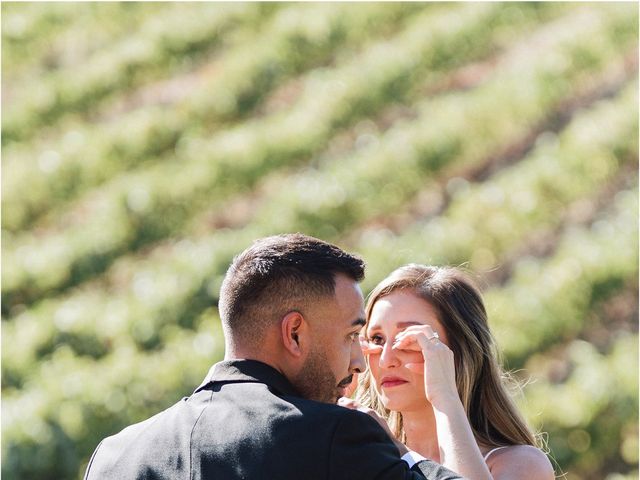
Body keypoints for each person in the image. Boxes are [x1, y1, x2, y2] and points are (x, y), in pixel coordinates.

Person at [84, 234, 465, 479]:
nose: (360, 363)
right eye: (351, 335)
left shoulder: (114, 456)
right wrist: (403, 454)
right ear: (294, 333)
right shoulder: (332, 437)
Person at [347, 264, 554, 479]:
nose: (385, 359)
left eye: (409, 338)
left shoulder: (522, 465)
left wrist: (443, 395)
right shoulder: (361, 454)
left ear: (458, 352)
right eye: (377, 339)